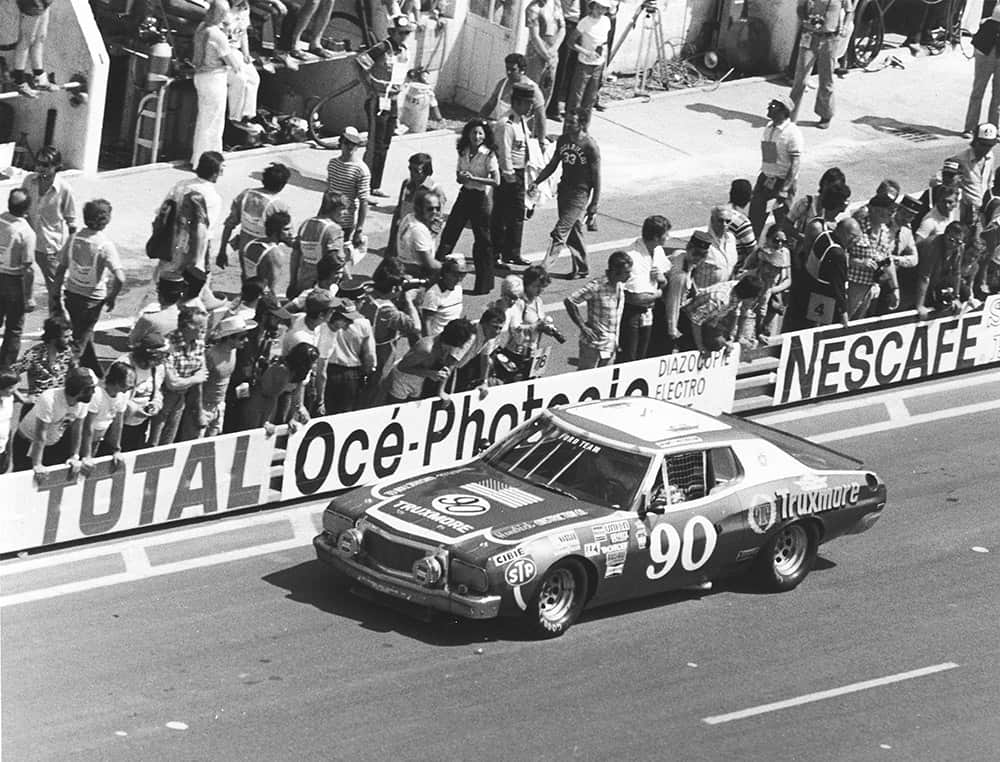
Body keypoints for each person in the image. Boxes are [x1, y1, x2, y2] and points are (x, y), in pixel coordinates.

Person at [52, 199, 125, 375]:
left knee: (81, 332)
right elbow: (120, 277)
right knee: (79, 341)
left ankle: (94, 369)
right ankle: (67, 377)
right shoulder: (105, 246)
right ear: (106, 220)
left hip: (71, 293)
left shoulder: (73, 238)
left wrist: (55, 293)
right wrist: (112, 296)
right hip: (93, 299)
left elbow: (60, 268)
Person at [533, 107, 601, 279]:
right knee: (573, 230)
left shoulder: (590, 145)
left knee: (560, 231)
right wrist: (536, 182)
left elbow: (596, 177)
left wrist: (594, 203)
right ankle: (582, 268)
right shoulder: (563, 140)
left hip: (580, 194)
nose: (568, 125)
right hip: (564, 191)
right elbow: (553, 164)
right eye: (566, 121)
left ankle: (542, 270)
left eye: (572, 122)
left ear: (582, 123)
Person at [438, 118, 501, 295]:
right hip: (464, 195)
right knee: (449, 234)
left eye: (480, 133)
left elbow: (496, 180)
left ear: (485, 136)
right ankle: (436, 274)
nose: (476, 136)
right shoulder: (463, 150)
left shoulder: (488, 154)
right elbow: (458, 175)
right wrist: (462, 177)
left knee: (482, 242)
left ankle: (484, 285)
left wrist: (474, 179)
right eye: (473, 132)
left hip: (480, 198)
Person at [356, 15, 414, 195]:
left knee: (385, 145)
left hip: (392, 101)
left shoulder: (404, 51)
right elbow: (359, 63)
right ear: (392, 32)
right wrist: (368, 88)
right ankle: (363, 185)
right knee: (375, 144)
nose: (404, 36)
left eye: (407, 33)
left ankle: (374, 185)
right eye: (401, 33)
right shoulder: (382, 48)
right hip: (378, 100)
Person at [357, 258, 421, 407]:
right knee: (376, 390)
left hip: (361, 347)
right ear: (394, 289)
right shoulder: (387, 311)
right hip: (381, 353)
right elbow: (416, 327)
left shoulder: (367, 293)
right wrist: (409, 300)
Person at [21, 146, 77, 314]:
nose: (40, 169)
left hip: (49, 246)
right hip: (27, 241)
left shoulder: (64, 189)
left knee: (54, 287)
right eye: (38, 164)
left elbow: (72, 223)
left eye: (45, 165)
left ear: (55, 166)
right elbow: (20, 206)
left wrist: (69, 249)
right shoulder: (29, 181)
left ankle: (61, 323)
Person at [12, 367, 96, 477]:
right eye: (91, 389)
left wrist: (74, 456)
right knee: (24, 481)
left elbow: (77, 430)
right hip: (28, 443)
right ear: (81, 391)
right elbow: (40, 435)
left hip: (51, 443)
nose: (94, 392)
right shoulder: (49, 399)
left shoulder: (83, 403)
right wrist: (37, 464)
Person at [191, 0, 244, 165]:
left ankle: (198, 158)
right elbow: (233, 64)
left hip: (200, 76)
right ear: (220, 15)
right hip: (214, 78)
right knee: (214, 122)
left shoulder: (201, 28)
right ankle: (207, 162)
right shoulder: (217, 35)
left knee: (204, 120)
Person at [161, 152, 224, 289]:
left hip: (171, 241)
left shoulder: (181, 185)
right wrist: (197, 260)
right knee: (195, 285)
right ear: (215, 173)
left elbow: (162, 212)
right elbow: (203, 231)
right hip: (194, 247)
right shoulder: (213, 197)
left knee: (166, 278)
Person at [786, 217, 860, 331]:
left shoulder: (825, 235)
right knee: (815, 332)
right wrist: (844, 313)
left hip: (803, 288)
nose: (855, 241)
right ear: (842, 232)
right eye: (853, 236)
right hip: (821, 299)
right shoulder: (837, 253)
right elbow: (838, 286)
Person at [149, 304, 209, 446]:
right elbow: (172, 383)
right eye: (200, 326)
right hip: (162, 398)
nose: (203, 330)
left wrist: (190, 380)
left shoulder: (199, 343)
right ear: (187, 326)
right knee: (153, 441)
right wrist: (195, 378)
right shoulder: (168, 343)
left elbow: (203, 371)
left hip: (181, 398)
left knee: (168, 440)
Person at [789, 0, 853, 129]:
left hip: (830, 38)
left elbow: (849, 12)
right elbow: (800, 8)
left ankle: (825, 114)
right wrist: (804, 21)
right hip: (810, 36)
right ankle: (790, 115)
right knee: (800, 79)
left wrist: (845, 26)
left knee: (826, 79)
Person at [492, 83, 537, 268]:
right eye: (527, 103)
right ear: (517, 103)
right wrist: (509, 175)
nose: (530, 107)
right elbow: (505, 151)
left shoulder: (521, 120)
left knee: (518, 214)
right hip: (508, 174)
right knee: (501, 215)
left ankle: (512, 252)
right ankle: (496, 253)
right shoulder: (507, 123)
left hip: (520, 172)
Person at [217, 162, 292, 269]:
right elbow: (286, 235)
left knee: (247, 279)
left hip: (245, 248)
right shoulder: (278, 206)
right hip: (265, 252)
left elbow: (229, 224)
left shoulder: (246, 195)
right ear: (282, 185)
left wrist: (222, 250)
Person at [564, 250, 629, 369]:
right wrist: (583, 327)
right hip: (593, 346)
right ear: (615, 271)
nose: (629, 275)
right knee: (586, 381)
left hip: (610, 345)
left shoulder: (621, 285)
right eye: (626, 272)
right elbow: (570, 301)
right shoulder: (597, 286)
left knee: (605, 382)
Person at [748, 95, 803, 237]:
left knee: (782, 225)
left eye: (774, 105)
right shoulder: (769, 127)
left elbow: (795, 164)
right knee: (755, 219)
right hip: (766, 179)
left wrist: (785, 189)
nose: (769, 107)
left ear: (783, 111)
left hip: (782, 182)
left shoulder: (792, 133)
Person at [387, 318, 475, 404]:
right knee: (395, 411)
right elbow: (402, 367)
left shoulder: (447, 346)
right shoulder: (425, 349)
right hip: (402, 381)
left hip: (419, 380)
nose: (463, 347)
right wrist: (430, 373)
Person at [619, 215, 670, 362]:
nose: (668, 236)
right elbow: (635, 297)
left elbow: (664, 279)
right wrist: (659, 293)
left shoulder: (658, 250)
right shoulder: (632, 256)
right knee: (629, 357)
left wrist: (662, 280)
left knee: (642, 356)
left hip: (648, 313)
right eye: (665, 233)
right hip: (632, 314)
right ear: (655, 237)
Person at [502, 265, 564, 379]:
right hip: (517, 353)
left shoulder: (538, 301)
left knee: (534, 384)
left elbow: (539, 322)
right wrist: (535, 326)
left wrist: (546, 329)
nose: (540, 290)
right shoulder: (519, 303)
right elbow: (514, 328)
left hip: (533, 352)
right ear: (527, 284)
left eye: (542, 287)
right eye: (536, 286)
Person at [316, 298, 376, 415]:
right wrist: (367, 373)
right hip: (346, 376)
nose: (351, 323)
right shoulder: (364, 323)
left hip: (330, 374)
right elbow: (370, 356)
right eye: (347, 319)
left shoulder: (318, 325)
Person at [242, 341, 319, 430]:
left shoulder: (299, 372)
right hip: (258, 404)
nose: (315, 365)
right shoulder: (281, 370)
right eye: (313, 362)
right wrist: (265, 422)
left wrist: (294, 417)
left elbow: (296, 395)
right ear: (303, 361)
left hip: (271, 403)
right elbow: (269, 396)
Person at [0, 188, 37, 367]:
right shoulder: (26, 232)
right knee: (14, 329)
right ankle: (4, 370)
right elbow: (28, 268)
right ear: (27, 208)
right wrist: (29, 296)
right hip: (13, 281)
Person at [685, 274, 766, 354]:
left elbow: (736, 313)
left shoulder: (738, 287)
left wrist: (732, 338)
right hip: (687, 317)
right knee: (716, 343)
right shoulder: (721, 300)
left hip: (708, 318)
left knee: (722, 336)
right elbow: (695, 320)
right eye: (754, 298)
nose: (755, 301)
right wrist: (700, 347)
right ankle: (684, 342)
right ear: (748, 296)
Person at [387, 153, 448, 258]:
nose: (412, 173)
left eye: (416, 171)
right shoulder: (406, 184)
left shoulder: (434, 190)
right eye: (410, 169)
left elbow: (437, 222)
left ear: (426, 171)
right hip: (403, 237)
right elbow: (399, 211)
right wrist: (392, 241)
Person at [202, 314, 255, 436]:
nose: (246, 340)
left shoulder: (234, 351)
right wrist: (199, 411)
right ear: (229, 338)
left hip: (220, 405)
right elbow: (198, 385)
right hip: (204, 406)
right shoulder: (210, 355)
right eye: (242, 337)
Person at [113, 333, 168, 452]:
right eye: (156, 358)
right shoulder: (123, 365)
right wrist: (133, 408)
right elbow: (113, 395)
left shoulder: (158, 367)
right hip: (120, 424)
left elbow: (158, 389)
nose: (160, 362)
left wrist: (156, 403)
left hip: (141, 422)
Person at [847, 193, 898, 319]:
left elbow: (887, 261)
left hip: (871, 287)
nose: (891, 214)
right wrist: (859, 262)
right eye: (888, 210)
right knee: (843, 319)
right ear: (875, 210)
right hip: (852, 284)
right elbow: (840, 253)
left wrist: (895, 288)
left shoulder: (885, 232)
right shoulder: (856, 227)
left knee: (859, 320)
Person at [288, 192, 347, 299]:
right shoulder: (334, 230)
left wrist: (293, 281)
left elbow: (295, 255)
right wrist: (348, 279)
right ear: (333, 209)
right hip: (324, 286)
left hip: (304, 281)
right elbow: (337, 260)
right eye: (342, 209)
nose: (345, 213)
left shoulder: (306, 224)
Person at [480, 53, 548, 141]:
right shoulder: (502, 84)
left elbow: (541, 117)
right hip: (501, 130)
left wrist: (541, 141)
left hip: (520, 136)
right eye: (507, 69)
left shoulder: (532, 89)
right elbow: (490, 104)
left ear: (522, 70)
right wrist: (479, 120)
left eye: (513, 70)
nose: (509, 72)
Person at [325, 127, 371, 257]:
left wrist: (359, 229)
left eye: (353, 144)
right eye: (346, 143)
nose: (349, 147)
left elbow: (364, 201)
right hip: (329, 217)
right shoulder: (333, 164)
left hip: (345, 221)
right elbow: (328, 191)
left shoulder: (361, 170)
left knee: (339, 257)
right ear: (341, 144)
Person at [915, 221, 971, 320]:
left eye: (958, 242)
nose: (954, 244)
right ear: (945, 235)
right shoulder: (931, 245)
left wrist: (955, 298)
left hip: (934, 279)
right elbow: (924, 277)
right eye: (951, 240)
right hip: (911, 279)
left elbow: (956, 274)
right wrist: (920, 305)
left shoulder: (960, 248)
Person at [11, 314, 76, 399]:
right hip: (38, 404)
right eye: (66, 337)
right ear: (54, 337)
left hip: (59, 401)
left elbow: (73, 372)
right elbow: (8, 376)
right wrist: (22, 399)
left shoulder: (67, 352)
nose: (71, 339)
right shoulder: (34, 354)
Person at [224, 0, 263, 138]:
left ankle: (247, 116)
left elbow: (244, 33)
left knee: (254, 78)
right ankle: (235, 117)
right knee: (239, 79)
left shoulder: (244, 8)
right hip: (222, 52)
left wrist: (246, 53)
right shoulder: (222, 7)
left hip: (236, 50)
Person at [81, 362, 134, 462]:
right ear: (117, 380)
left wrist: (116, 449)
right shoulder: (97, 394)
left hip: (99, 439)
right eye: (127, 383)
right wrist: (87, 455)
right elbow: (88, 426)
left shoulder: (124, 394)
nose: (130, 386)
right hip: (83, 441)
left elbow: (118, 423)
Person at [565, 0, 610, 115]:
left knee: (590, 99)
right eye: (598, 7)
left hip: (598, 65)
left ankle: (583, 129)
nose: (600, 11)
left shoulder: (606, 21)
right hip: (584, 65)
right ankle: (570, 130)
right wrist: (585, 52)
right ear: (593, 6)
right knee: (576, 98)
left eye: (604, 8)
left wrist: (605, 68)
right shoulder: (584, 22)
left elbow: (606, 45)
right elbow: (570, 42)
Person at [451, 306, 507, 395]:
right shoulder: (470, 335)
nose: (497, 332)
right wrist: (442, 391)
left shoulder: (490, 335)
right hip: (444, 365)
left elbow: (485, 358)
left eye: (500, 328)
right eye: (494, 327)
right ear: (484, 323)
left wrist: (484, 382)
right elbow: (451, 362)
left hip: (458, 366)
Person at [950, 124, 998, 225]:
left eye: (989, 145)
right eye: (983, 144)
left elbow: (989, 182)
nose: (986, 149)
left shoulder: (990, 157)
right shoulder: (960, 159)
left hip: (983, 212)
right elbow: (945, 182)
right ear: (975, 141)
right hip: (964, 212)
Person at [964, 8, 1000, 139]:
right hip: (987, 44)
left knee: (998, 95)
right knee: (978, 90)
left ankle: (994, 129)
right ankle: (970, 128)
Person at [239, 210, 293, 295]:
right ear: (276, 231)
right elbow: (272, 287)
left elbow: (244, 275)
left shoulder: (250, 244)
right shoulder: (275, 254)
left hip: (248, 294)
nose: (291, 233)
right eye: (286, 229)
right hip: (261, 299)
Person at [524, 0, 565, 110]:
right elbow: (534, 36)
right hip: (537, 53)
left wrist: (554, 49)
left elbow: (562, 29)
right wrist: (546, 55)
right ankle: (528, 122)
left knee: (547, 88)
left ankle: (540, 120)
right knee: (532, 88)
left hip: (553, 51)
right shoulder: (533, 8)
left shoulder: (556, 4)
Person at [396, 187, 445, 277]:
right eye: (430, 209)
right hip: (416, 274)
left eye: (437, 208)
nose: (435, 212)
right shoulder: (419, 229)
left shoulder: (409, 217)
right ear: (419, 208)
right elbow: (429, 264)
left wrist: (432, 233)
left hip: (403, 267)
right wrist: (448, 268)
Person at [11, 0, 56, 97]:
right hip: (33, 4)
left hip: (45, 3)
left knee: (40, 37)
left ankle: (39, 75)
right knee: (25, 41)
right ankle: (19, 81)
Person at [550, 0, 583, 120]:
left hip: (581, 25)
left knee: (575, 69)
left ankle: (570, 108)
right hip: (568, 24)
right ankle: (553, 106)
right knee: (562, 68)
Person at [420, 257, 466, 338]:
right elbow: (426, 322)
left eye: (462, 275)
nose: (459, 279)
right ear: (445, 273)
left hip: (454, 335)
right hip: (439, 338)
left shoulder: (458, 287)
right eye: (455, 275)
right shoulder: (434, 294)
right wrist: (429, 342)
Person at [281, 288, 334, 355]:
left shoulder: (301, 316)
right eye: (331, 311)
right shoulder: (303, 342)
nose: (333, 312)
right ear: (321, 315)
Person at [0, 368, 17, 473]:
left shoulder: (9, 399)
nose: (14, 390)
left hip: (2, 452)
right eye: (10, 387)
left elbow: (8, 428)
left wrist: (10, 456)